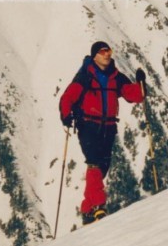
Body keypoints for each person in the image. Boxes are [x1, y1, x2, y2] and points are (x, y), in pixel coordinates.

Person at [59, 41, 146, 224]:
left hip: (108, 127)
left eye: (109, 51)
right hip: (87, 126)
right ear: (94, 55)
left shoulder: (115, 76)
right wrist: (66, 115)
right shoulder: (85, 76)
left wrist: (141, 85)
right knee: (94, 162)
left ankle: (88, 209)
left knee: (103, 166)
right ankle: (99, 206)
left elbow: (132, 94)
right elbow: (68, 97)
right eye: (103, 51)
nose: (107, 54)